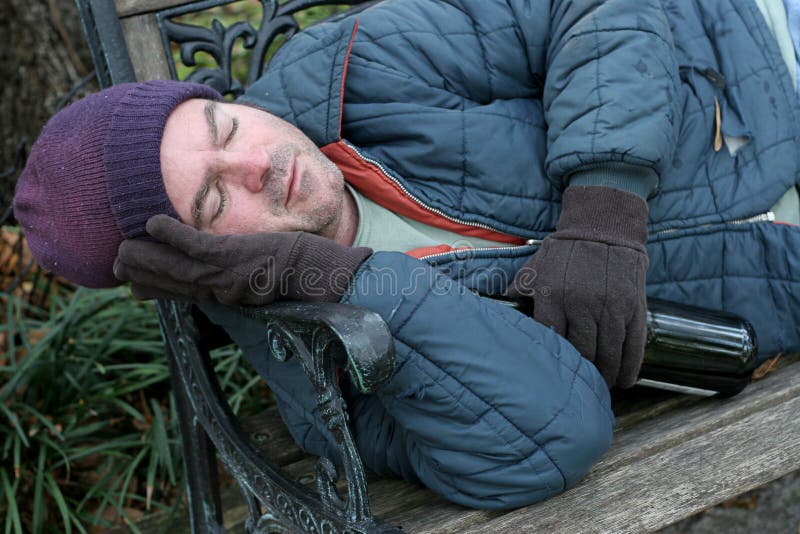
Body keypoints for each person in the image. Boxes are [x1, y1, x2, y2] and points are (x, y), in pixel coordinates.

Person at [12, 0, 800, 511]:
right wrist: (338, 281)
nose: (259, 162)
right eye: (216, 202)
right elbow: (556, 435)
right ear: (193, 268)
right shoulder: (320, 374)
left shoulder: (350, 68)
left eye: (225, 129)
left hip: (762, 50)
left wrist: (605, 206)